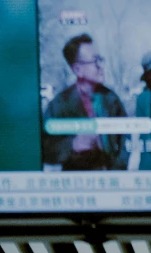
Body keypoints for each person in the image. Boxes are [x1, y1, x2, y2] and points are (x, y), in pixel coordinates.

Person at [42, 34, 128, 171]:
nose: (101, 66)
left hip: (112, 183)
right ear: (78, 69)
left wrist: (119, 169)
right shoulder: (60, 104)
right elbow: (44, 148)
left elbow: (125, 139)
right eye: (95, 61)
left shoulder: (111, 98)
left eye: (101, 59)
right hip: (79, 185)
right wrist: (72, 145)